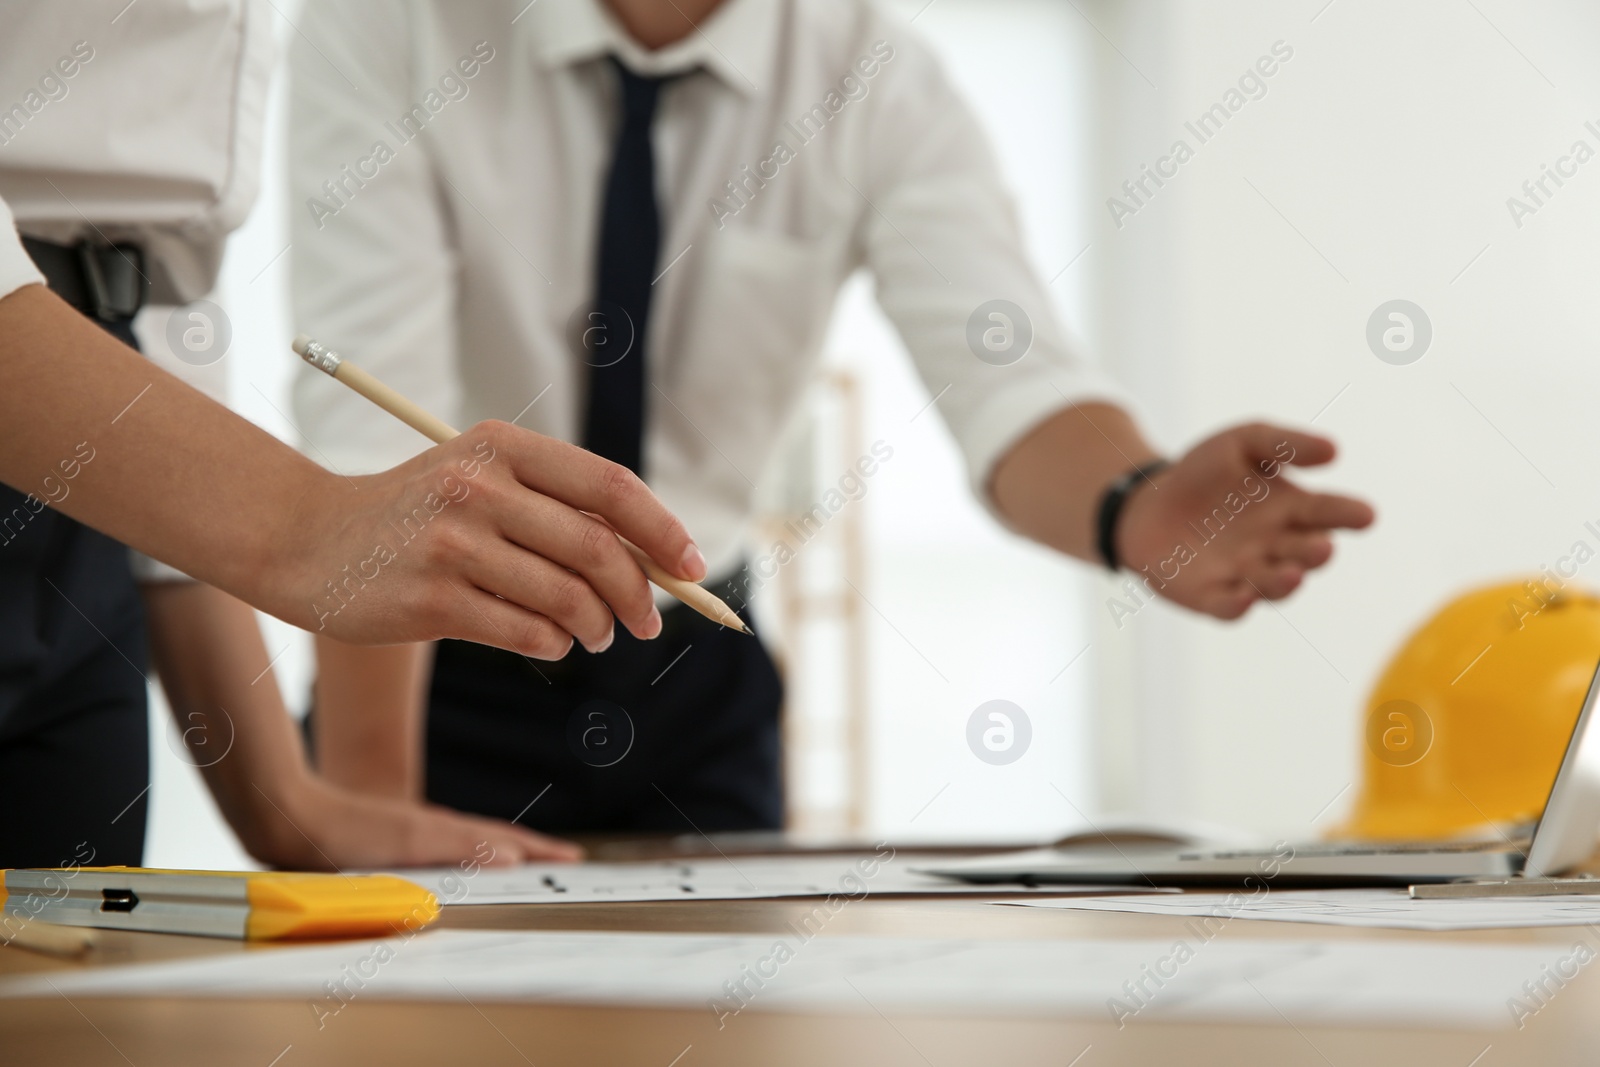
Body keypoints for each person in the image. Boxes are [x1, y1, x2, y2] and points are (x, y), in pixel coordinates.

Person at [287, 0, 1375, 839]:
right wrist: (367, 810)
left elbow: (1007, 375)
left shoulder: (874, 76)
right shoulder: (393, 26)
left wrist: (1133, 502)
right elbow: (374, 442)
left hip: (693, 670)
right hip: (434, 657)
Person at [0, 3, 699, 868]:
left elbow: (143, 275)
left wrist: (286, 795)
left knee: (60, 992)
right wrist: (301, 521)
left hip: (91, 489)